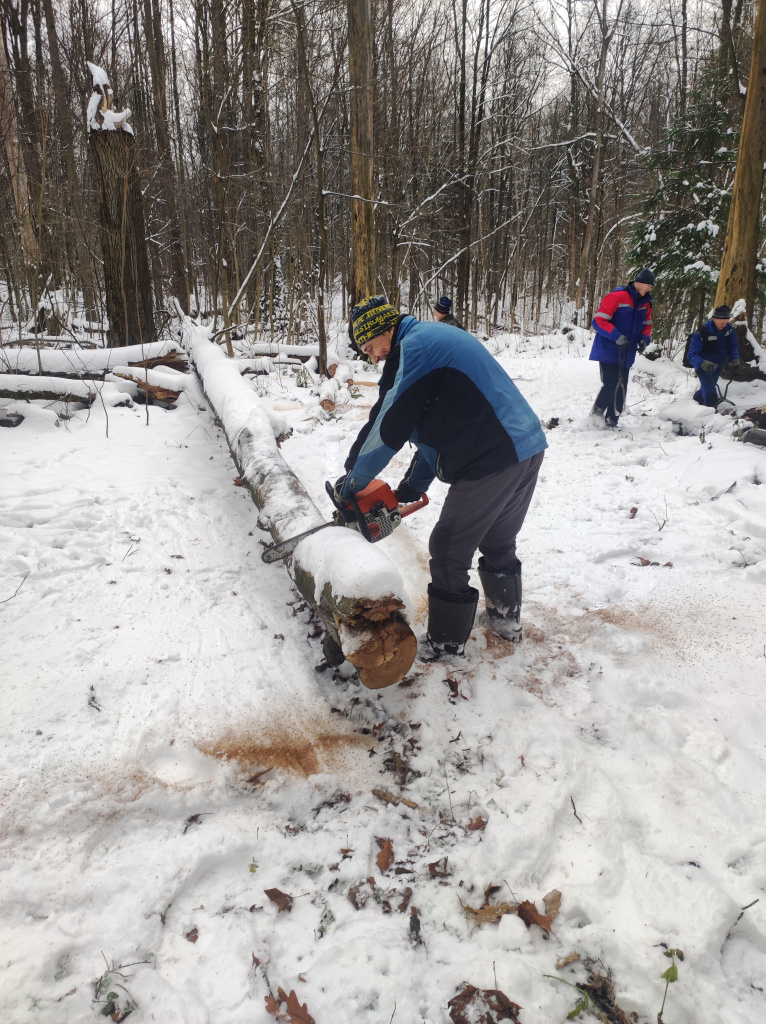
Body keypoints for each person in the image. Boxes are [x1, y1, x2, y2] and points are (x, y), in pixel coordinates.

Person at [334, 295, 547, 661]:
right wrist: (410, 488)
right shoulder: (432, 339)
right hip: (525, 447)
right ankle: (504, 620)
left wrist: (353, 481)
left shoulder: (415, 348)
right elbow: (432, 434)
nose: (374, 357)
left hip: (492, 457)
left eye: (372, 346)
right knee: (497, 540)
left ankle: (446, 646)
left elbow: (388, 423)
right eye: (367, 352)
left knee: (448, 549)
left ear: (388, 329)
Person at [590, 268, 654, 427]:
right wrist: (616, 336)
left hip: (627, 352)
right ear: (639, 283)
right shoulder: (617, 296)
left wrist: (645, 339)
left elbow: (647, 325)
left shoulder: (645, 303)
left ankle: (612, 420)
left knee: (622, 386)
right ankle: (595, 416)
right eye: (648, 286)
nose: (650, 289)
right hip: (609, 349)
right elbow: (598, 321)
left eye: (651, 287)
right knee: (611, 384)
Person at [687, 305, 741, 406]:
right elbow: (692, 355)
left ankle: (696, 402)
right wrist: (703, 364)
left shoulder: (729, 329)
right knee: (711, 393)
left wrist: (734, 359)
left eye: (726, 322)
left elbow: (733, 346)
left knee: (706, 388)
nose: (724, 325)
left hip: (717, 366)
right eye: (721, 322)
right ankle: (711, 417)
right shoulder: (702, 332)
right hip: (704, 367)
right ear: (714, 319)